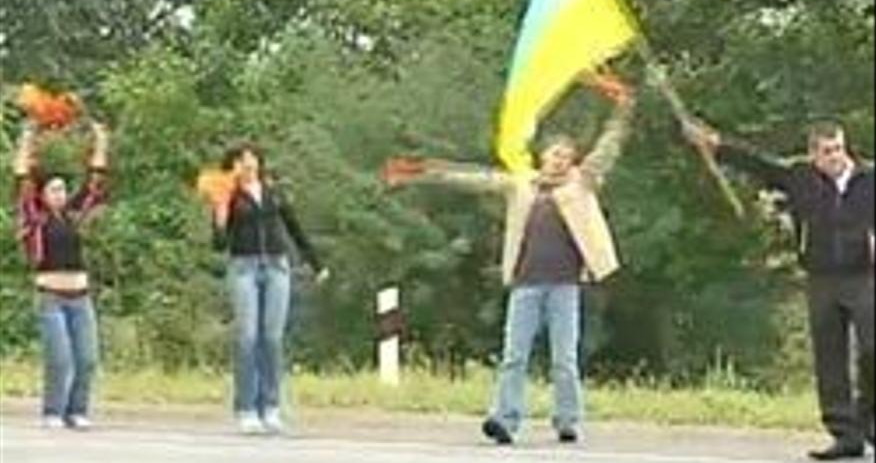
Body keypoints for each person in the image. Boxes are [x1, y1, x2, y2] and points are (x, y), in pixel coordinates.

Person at [385, 73, 636, 445]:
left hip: (564, 285)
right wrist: (425, 171)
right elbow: (476, 179)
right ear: (542, 156)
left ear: (573, 162)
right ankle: (504, 419)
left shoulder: (581, 184)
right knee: (513, 356)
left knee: (564, 359)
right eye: (555, 154)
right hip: (526, 283)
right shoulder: (523, 185)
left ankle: (567, 420)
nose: (559, 161)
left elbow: (608, 148)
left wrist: (622, 110)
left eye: (566, 157)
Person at [684, 119, 874, 461]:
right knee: (829, 356)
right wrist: (718, 145)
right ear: (813, 155)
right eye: (827, 152)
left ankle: (868, 420)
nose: (835, 157)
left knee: (871, 350)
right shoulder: (801, 178)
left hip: (865, 275)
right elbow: (759, 164)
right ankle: (845, 434)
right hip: (821, 276)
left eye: (838, 149)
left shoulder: (869, 179)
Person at [211, 143, 329, 435]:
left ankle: (272, 407)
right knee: (247, 337)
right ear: (232, 167)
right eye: (241, 161)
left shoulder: (273, 192)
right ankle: (247, 408)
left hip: (277, 266)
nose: (247, 165)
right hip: (244, 267)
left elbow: (294, 228)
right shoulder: (228, 195)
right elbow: (218, 243)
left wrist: (315, 263)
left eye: (251, 160)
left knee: (272, 338)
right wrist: (221, 214)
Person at [13, 119, 111, 430]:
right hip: (51, 297)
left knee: (87, 358)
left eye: (63, 189)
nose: (60, 194)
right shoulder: (36, 218)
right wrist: (27, 138)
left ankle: (76, 410)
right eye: (54, 189)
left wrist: (100, 140)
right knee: (60, 359)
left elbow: (95, 182)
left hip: (80, 296)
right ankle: (53, 411)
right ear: (43, 194)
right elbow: (23, 178)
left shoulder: (72, 217)